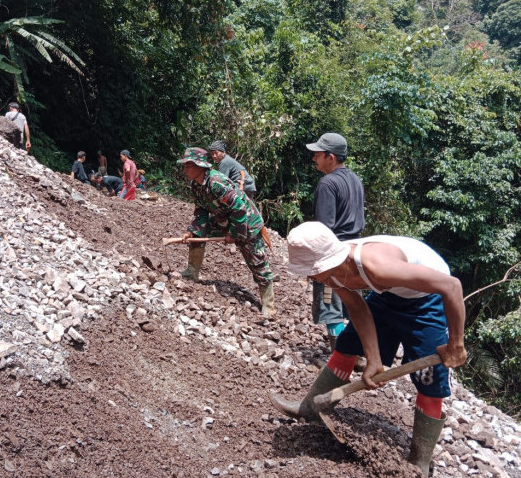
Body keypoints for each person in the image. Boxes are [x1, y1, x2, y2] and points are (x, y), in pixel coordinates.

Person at [270, 221, 467, 475]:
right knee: (348, 343)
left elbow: (452, 286)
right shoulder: (333, 271)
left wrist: (456, 345)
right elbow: (357, 307)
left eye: (311, 271)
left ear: (326, 261)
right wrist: (374, 360)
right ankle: (310, 408)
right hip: (388, 295)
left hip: (425, 300)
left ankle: (420, 460)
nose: (309, 277)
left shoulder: (378, 267)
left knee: (429, 379)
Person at [175, 147, 275, 317]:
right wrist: (193, 231)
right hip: (225, 218)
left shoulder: (216, 182)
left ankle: (268, 304)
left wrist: (234, 235)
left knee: (256, 260)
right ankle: (192, 272)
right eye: (184, 166)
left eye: (188, 166)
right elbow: (201, 211)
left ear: (200, 166)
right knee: (198, 233)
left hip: (247, 222)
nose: (185, 170)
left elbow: (240, 209)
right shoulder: (196, 185)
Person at [306, 133, 365, 352]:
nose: (314, 159)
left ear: (330, 157)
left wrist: (315, 259)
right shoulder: (355, 180)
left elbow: (325, 227)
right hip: (356, 250)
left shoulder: (327, 184)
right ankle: (360, 353)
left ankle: (342, 356)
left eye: (318, 155)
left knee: (330, 304)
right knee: (354, 304)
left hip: (334, 251)